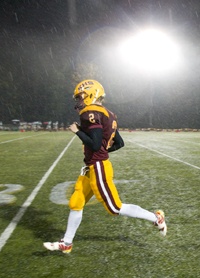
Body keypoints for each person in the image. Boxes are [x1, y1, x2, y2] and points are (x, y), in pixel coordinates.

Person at [44, 79, 166, 253]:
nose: (79, 101)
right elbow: (119, 143)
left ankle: (156, 218)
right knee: (76, 201)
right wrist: (101, 150)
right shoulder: (108, 113)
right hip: (93, 166)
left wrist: (77, 131)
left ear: (91, 94)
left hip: (98, 167)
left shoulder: (91, 112)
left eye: (81, 96)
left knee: (115, 207)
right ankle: (67, 242)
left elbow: (94, 145)